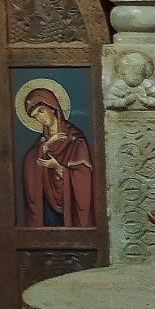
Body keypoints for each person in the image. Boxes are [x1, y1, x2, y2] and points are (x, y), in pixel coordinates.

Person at [20, 87, 95, 229]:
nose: (40, 118)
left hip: (70, 207)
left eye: (41, 111)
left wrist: (57, 167)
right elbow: (30, 164)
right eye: (36, 116)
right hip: (48, 208)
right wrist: (47, 144)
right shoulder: (42, 142)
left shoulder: (75, 139)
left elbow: (84, 178)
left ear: (52, 108)